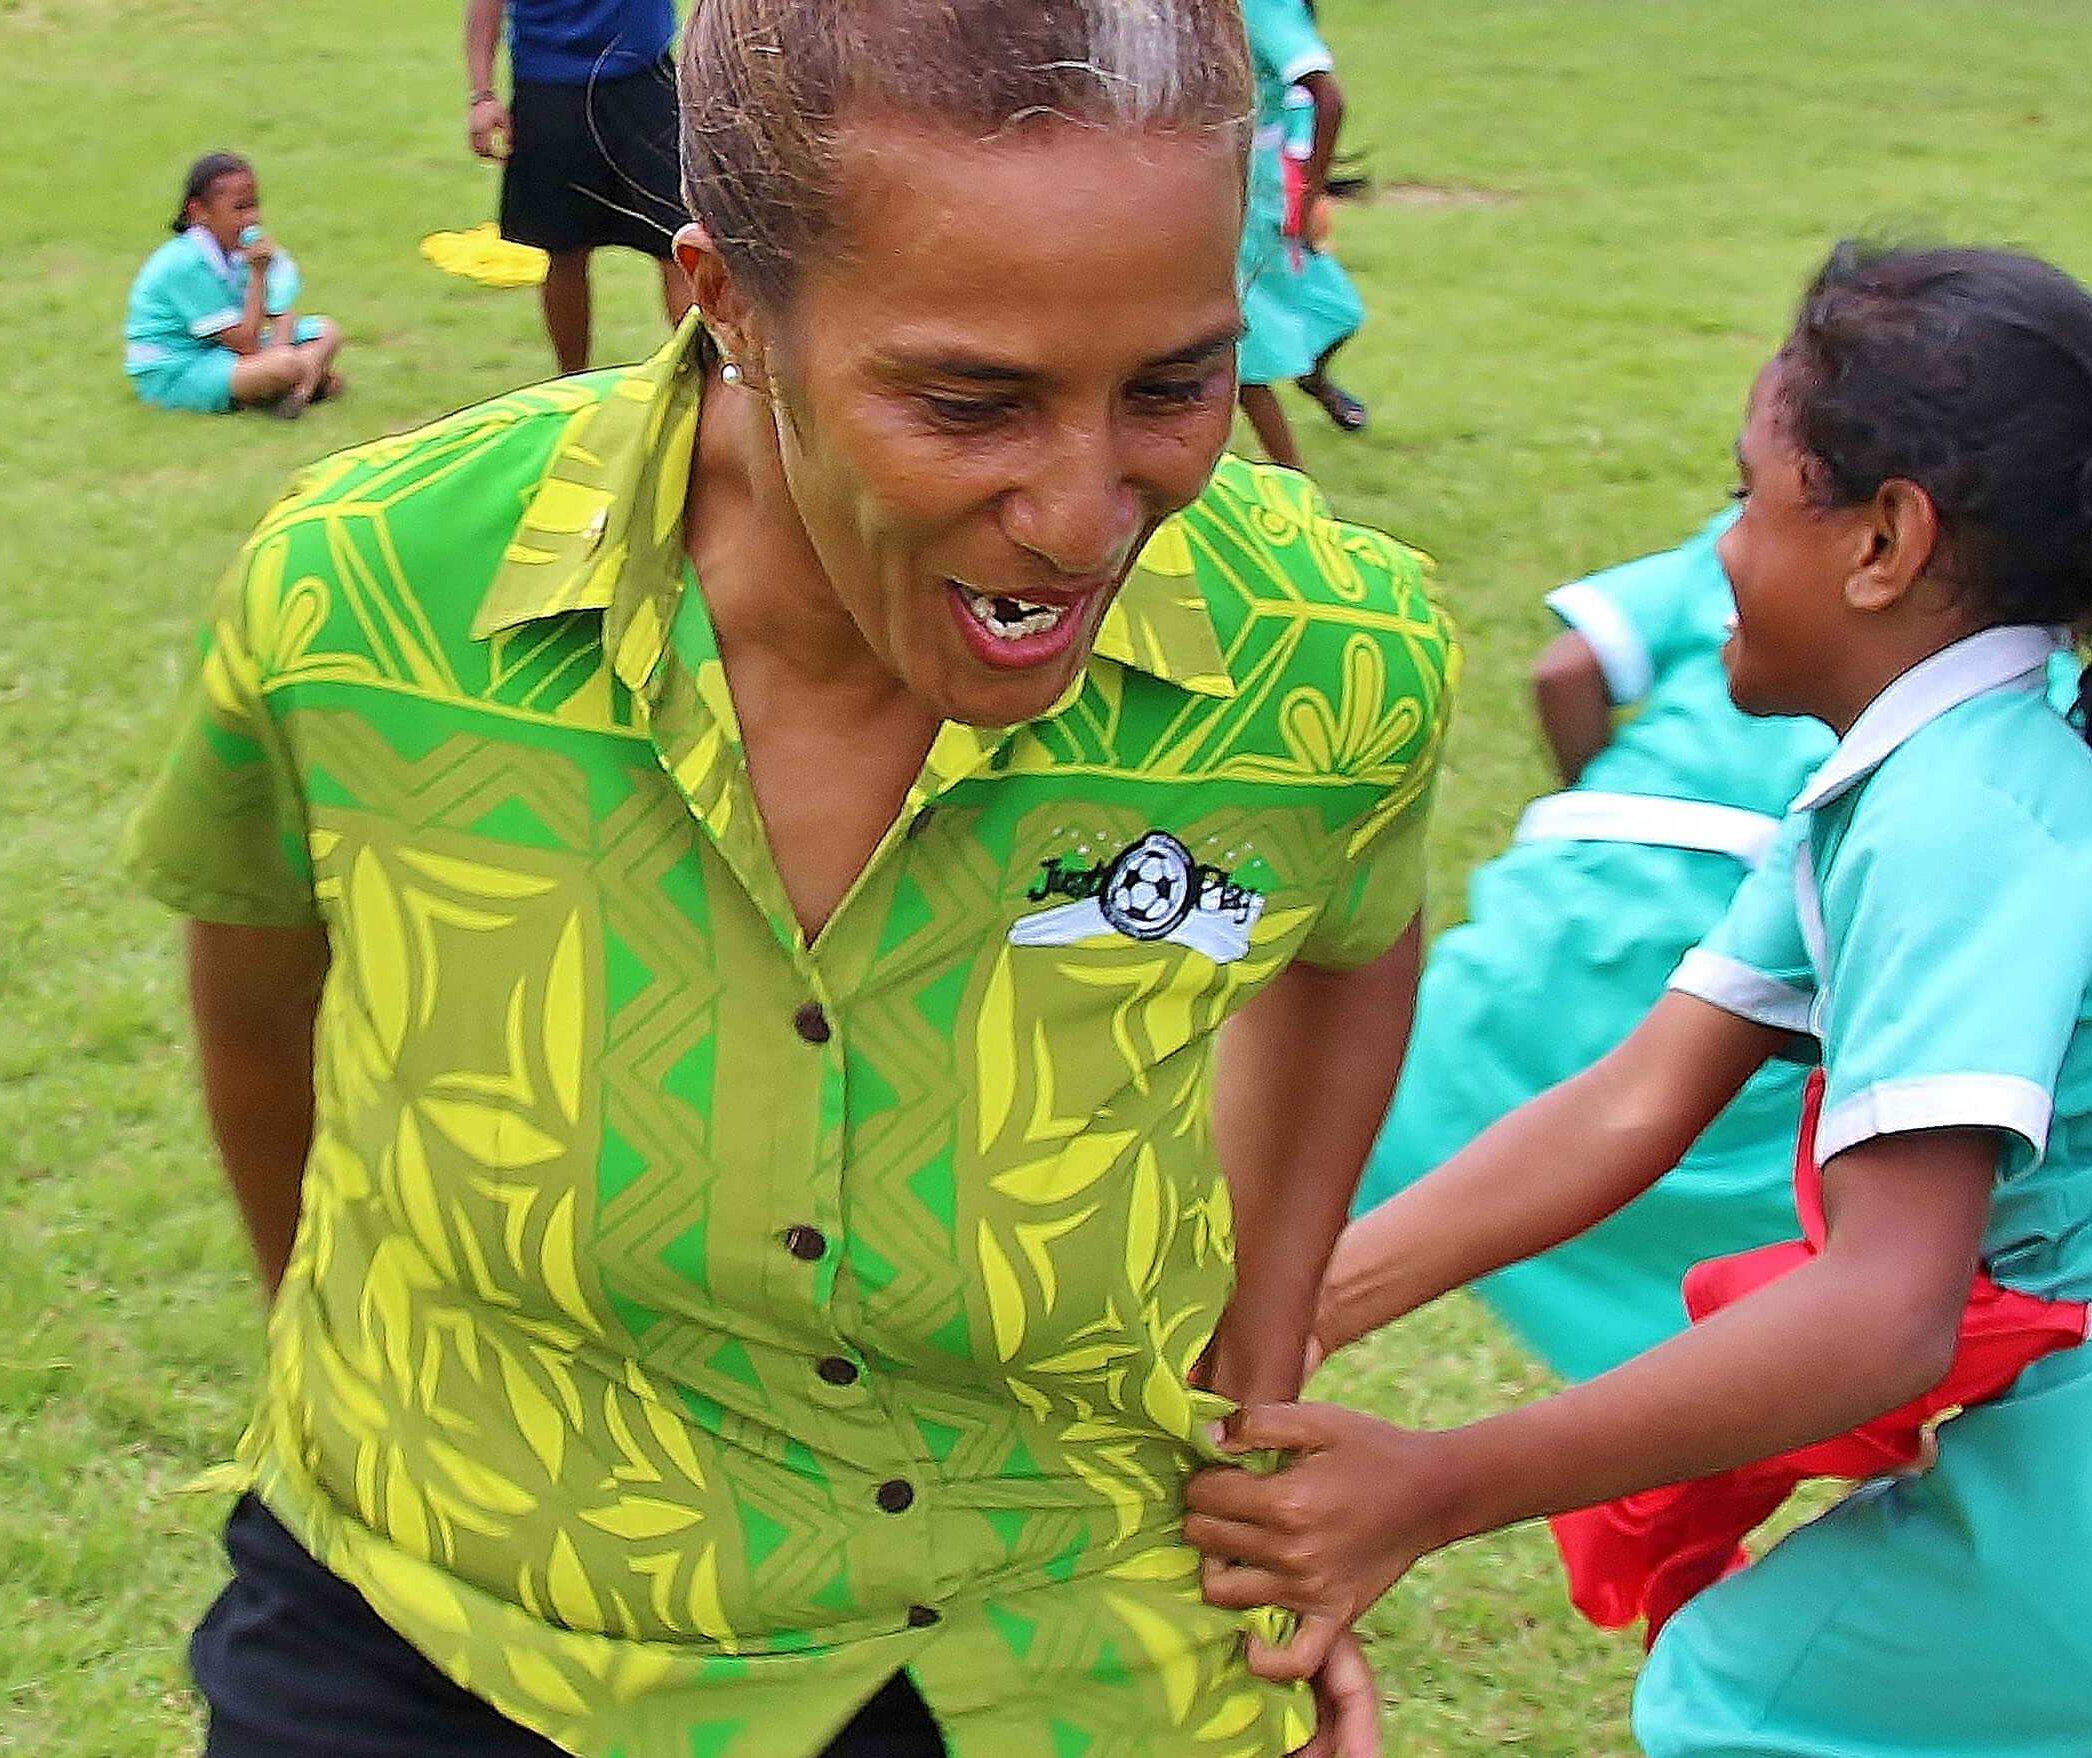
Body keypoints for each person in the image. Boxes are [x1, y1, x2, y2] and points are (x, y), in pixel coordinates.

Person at [119, 3, 1455, 1754]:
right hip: (445, 1619)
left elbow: (1350, 935)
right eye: (969, 399)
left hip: (1050, 1634)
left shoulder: (1331, 654)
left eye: (1174, 384)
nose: (1083, 514)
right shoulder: (365, 593)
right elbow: (261, 981)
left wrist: (1261, 1364)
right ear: (723, 302)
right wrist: (365, 1368)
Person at [1185, 243, 2092, 1758]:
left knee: (1749, 1695)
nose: (1721, 546)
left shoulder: (1962, 821)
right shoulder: (1914, 780)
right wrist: (1296, 1310)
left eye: (1746, 493)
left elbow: (1882, 1312)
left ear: (1884, 542)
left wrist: (1438, 1480)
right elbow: (1633, 1098)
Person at [1351, 510, 1833, 1386]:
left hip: (1567, 882)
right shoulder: (2004, 665)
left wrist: (1609, 804)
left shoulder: (1759, 530)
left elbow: (1566, 666)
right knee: (1806, 1219)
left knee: (1388, 1113)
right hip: (1739, 924)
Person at [465, 0, 694, 375]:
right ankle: (571, 381)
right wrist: (482, 95)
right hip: (550, 84)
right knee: (563, 248)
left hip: (644, 78)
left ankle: (705, 382)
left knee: (679, 242)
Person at [1232, 0, 1367, 473]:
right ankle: (1297, 484)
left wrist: (1307, 200)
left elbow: (1327, 95)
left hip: (1261, 199)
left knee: (1340, 311)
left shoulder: (1262, 7)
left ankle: (1314, 381)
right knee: (1243, 350)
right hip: (1226, 197)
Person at [127, 151, 347, 418]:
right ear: (199, 212)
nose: (252, 218)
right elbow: (247, 344)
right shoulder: (185, 264)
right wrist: (258, 274)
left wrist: (282, 321)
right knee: (285, 364)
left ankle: (296, 393)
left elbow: (278, 312)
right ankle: (300, 383)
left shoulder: (234, 249)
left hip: (220, 354)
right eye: (240, 208)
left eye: (254, 205)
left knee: (326, 331)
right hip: (177, 369)